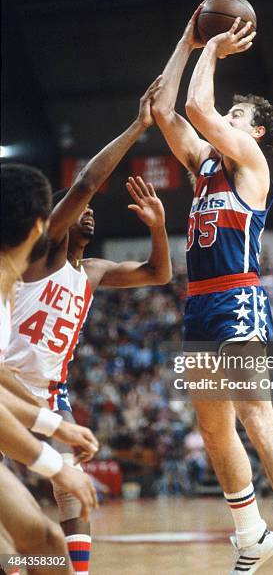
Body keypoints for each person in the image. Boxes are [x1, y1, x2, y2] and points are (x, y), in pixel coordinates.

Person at [151, 3, 273, 574]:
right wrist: (188, 35)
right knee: (211, 427)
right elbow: (164, 106)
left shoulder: (251, 161)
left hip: (238, 298)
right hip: (199, 302)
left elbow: (197, 106)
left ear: (254, 130)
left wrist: (212, 47)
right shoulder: (203, 164)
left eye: (237, 113)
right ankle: (251, 534)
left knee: (257, 415)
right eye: (228, 112)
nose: (224, 117)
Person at [4, 79, 171, 575]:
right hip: (7, 380)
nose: (91, 216)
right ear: (56, 220)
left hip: (50, 390)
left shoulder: (93, 271)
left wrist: (159, 227)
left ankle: (78, 571)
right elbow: (85, 185)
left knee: (69, 491)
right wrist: (137, 127)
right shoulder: (43, 256)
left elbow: (157, 274)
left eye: (93, 214)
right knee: (32, 519)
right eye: (83, 214)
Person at [0, 164, 97, 574]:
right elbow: (87, 183)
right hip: (32, 395)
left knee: (45, 547)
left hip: (37, 396)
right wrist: (54, 462)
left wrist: (56, 428)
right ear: (41, 225)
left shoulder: (9, 284)